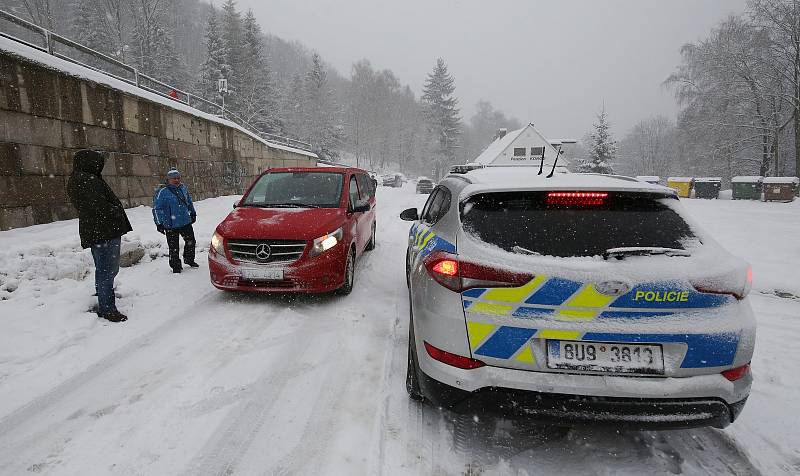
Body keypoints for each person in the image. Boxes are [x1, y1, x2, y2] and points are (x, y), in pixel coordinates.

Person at [67, 149, 132, 323]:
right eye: (97, 162)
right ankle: (107, 308)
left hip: (99, 231)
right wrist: (116, 211)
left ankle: (105, 296)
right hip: (104, 231)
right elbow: (98, 206)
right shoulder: (87, 180)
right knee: (107, 270)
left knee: (105, 269)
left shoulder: (80, 178)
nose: (99, 166)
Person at [153, 169, 198, 273]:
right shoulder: (162, 192)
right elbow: (156, 209)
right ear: (168, 180)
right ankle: (176, 266)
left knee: (191, 242)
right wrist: (159, 223)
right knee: (174, 247)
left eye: (178, 178)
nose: (177, 180)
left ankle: (189, 259)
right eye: (174, 178)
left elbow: (189, 201)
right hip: (170, 224)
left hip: (185, 221)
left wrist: (193, 212)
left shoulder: (183, 188)